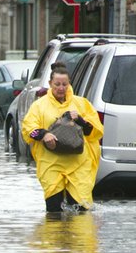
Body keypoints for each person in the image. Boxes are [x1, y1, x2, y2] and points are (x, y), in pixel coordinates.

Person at [21, 62, 104, 213]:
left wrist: (80, 120)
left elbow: (94, 132)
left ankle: (77, 237)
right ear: (50, 83)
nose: (61, 88)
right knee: (53, 210)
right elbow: (28, 131)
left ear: (69, 84)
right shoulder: (39, 106)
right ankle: (55, 237)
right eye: (57, 84)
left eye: (64, 84)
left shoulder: (81, 103)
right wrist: (43, 134)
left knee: (81, 210)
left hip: (79, 163)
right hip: (51, 163)